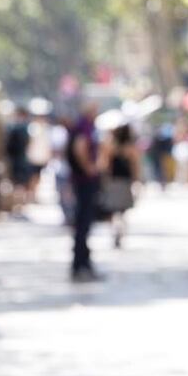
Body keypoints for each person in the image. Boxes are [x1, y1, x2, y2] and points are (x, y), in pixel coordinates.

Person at [68, 103, 103, 282]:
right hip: (84, 182)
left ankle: (83, 263)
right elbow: (79, 148)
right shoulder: (84, 127)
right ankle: (80, 265)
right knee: (83, 224)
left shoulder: (84, 126)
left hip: (83, 181)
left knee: (84, 224)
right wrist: (90, 168)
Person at [100, 123, 141, 248]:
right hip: (124, 182)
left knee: (113, 210)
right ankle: (120, 231)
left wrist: (104, 180)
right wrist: (137, 182)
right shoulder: (131, 149)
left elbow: (105, 166)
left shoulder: (110, 147)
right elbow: (135, 167)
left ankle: (115, 230)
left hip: (113, 182)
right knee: (122, 211)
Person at [5, 107, 32, 216]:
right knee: (20, 185)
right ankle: (19, 208)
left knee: (19, 185)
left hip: (17, 160)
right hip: (21, 159)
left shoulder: (17, 128)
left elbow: (9, 146)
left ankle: (18, 208)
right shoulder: (24, 128)